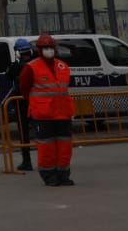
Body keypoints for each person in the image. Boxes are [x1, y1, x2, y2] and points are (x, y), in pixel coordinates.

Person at [18, 31, 75, 186]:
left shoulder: (63, 66)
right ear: (39, 50)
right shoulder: (31, 67)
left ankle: (63, 174)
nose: (49, 50)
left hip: (63, 113)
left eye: (51, 47)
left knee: (64, 147)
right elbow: (24, 88)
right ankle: (49, 175)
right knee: (46, 147)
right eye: (46, 47)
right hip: (44, 115)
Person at [5, 38, 35, 173]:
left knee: (23, 132)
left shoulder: (16, 66)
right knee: (43, 131)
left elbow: (8, 75)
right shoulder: (37, 63)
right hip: (37, 102)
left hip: (22, 102)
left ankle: (27, 161)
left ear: (17, 52)